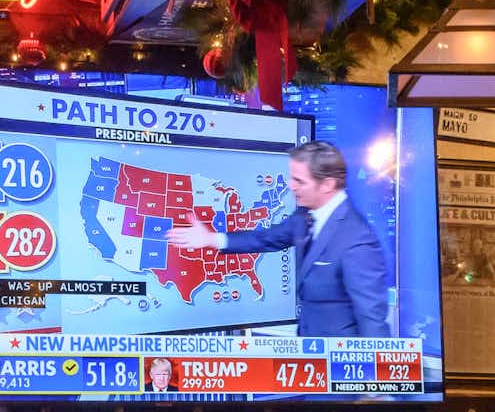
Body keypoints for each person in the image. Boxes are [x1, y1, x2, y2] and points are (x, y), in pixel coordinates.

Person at [164, 140, 392, 338]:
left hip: (340, 366)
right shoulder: (304, 216)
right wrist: (211, 239)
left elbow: (371, 314)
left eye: (299, 181)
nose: (291, 187)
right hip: (311, 355)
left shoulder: (356, 239)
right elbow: (266, 238)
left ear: (327, 184)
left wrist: (375, 383)